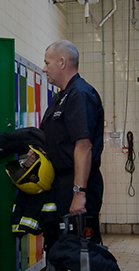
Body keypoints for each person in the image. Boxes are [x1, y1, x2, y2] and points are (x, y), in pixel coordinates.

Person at [36, 39, 105, 251]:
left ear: (62, 62)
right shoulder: (59, 99)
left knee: (80, 251)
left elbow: (83, 146)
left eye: (48, 63)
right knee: (61, 246)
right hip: (59, 183)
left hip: (77, 182)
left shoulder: (80, 95)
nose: (44, 68)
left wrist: (79, 192)